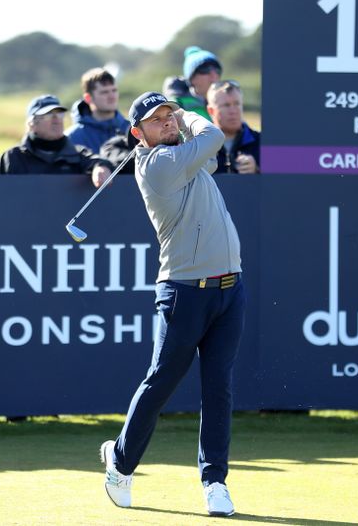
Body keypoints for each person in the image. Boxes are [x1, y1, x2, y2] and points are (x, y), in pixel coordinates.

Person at [99, 91, 244, 517]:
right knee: (161, 381)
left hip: (230, 289)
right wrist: (186, 113)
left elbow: (209, 151)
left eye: (168, 116)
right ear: (137, 134)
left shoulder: (182, 155)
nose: (166, 123)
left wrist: (180, 125)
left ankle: (215, 482)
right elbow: (214, 134)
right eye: (156, 119)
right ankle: (121, 465)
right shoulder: (158, 166)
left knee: (219, 388)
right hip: (184, 291)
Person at [0, 94, 111, 185]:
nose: (57, 120)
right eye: (49, 115)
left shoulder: (77, 154)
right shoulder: (12, 158)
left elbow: (98, 161)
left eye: (60, 114)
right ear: (32, 124)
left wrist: (100, 167)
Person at [66, 68, 130, 153]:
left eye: (114, 90)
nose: (112, 96)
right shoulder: (72, 138)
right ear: (88, 98)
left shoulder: (133, 130)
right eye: (104, 92)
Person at [206, 80, 260, 174]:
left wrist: (257, 170)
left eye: (237, 104)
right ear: (211, 111)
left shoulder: (262, 142)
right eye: (226, 105)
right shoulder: (199, 145)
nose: (233, 111)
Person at [162, 46, 222, 120]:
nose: (214, 75)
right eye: (206, 69)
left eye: (217, 70)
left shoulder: (225, 102)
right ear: (192, 78)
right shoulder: (178, 106)